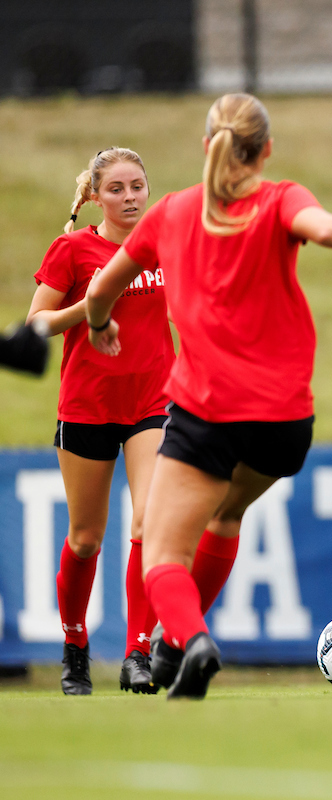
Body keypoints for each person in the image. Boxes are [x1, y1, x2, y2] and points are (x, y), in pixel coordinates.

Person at [85, 93, 332, 699]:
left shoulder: (170, 213)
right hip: (285, 420)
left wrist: (100, 321)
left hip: (206, 412)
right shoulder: (280, 198)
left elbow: (104, 286)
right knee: (227, 514)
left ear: (205, 145)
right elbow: (331, 229)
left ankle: (188, 638)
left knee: (159, 551)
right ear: (265, 150)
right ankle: (175, 645)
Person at [27, 147, 174, 695]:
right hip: (87, 408)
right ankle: (74, 645)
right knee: (86, 539)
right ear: (95, 196)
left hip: (154, 403)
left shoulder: (162, 242)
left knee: (149, 524)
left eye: (138, 185)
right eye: (117, 188)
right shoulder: (73, 250)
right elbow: (35, 326)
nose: (130, 197)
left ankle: (139, 651)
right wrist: (89, 304)